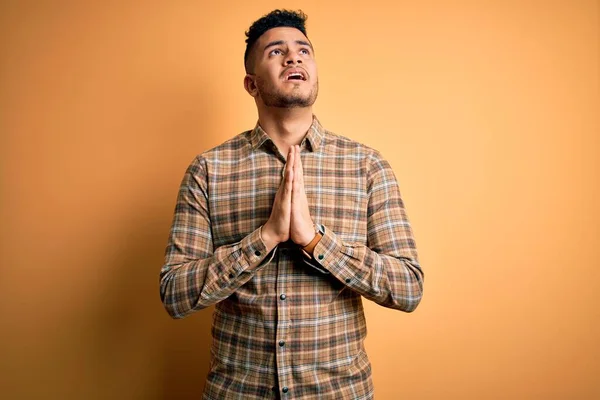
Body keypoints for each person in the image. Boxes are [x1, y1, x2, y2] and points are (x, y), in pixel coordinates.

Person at [160, 9, 424, 400]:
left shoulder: (367, 166)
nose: (294, 58)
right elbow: (174, 293)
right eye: (276, 52)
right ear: (251, 84)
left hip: (338, 393)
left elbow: (408, 287)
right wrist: (264, 238)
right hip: (238, 393)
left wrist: (316, 241)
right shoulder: (209, 170)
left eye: (304, 50)